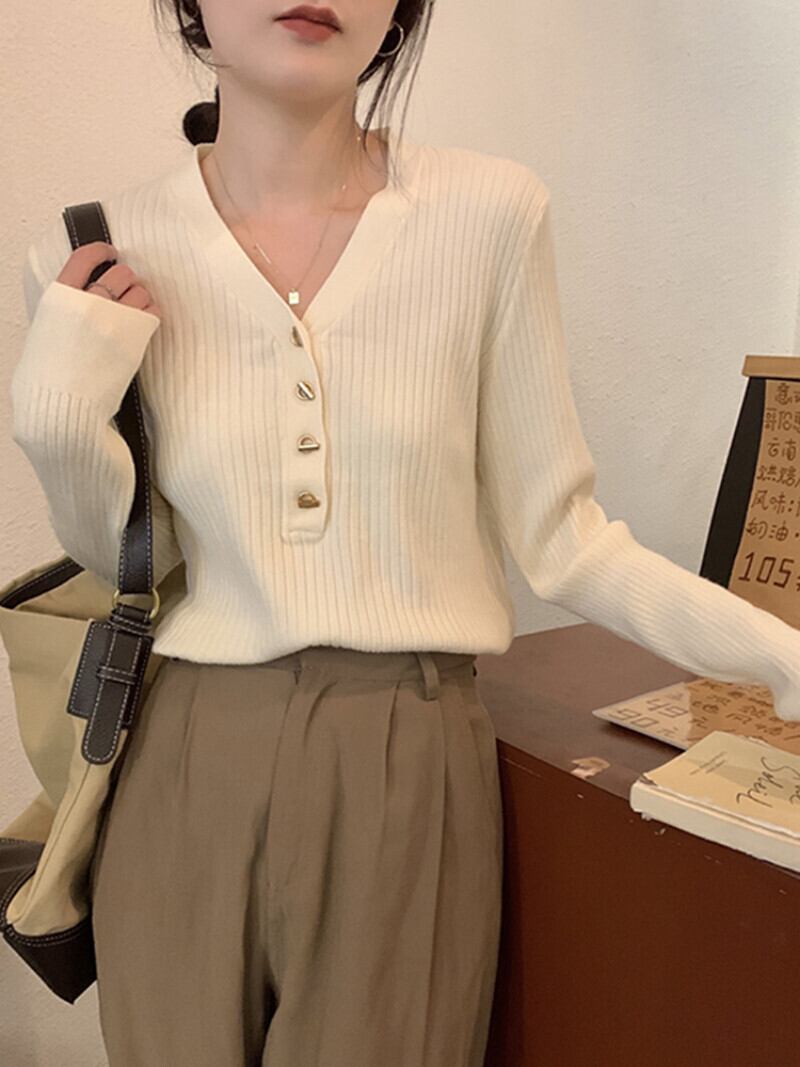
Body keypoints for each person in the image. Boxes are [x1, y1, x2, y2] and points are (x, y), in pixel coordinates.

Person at [10, 1, 800, 1064]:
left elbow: (566, 541)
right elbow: (124, 562)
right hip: (184, 752)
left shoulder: (487, 214)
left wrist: (783, 660)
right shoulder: (93, 252)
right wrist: (59, 421)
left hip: (407, 755)